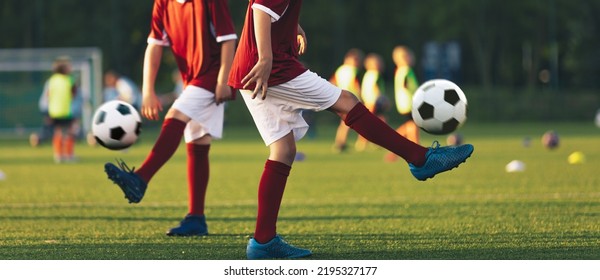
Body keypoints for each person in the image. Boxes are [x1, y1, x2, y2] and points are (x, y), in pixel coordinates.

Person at [228, 0, 474, 259]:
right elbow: (260, 9)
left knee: (283, 150)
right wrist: (266, 58)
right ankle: (420, 158)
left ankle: (263, 241)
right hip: (270, 67)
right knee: (347, 102)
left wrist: (292, 27)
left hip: (251, 67)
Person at [103, 0, 237, 237]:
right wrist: (147, 91)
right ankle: (196, 218)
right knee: (198, 143)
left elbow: (228, 38)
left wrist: (223, 79)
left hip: (211, 77)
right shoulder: (162, 3)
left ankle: (141, 178)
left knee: (176, 115)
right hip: (191, 80)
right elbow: (154, 46)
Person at [385, 45, 420, 162]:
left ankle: (394, 145)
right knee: (413, 126)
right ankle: (417, 150)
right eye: (409, 56)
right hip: (409, 103)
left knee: (410, 126)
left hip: (405, 103)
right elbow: (405, 85)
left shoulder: (400, 70)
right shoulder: (406, 70)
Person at [42, 56, 80, 163]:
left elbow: (48, 94)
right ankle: (69, 155)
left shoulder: (52, 80)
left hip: (54, 110)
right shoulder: (70, 79)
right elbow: (74, 94)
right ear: (64, 69)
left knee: (58, 132)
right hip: (67, 110)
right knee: (70, 132)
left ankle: (58, 155)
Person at [330, 48, 364, 153]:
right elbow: (356, 85)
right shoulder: (354, 71)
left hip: (340, 97)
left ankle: (340, 142)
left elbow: (332, 82)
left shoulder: (340, 70)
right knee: (348, 122)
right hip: (351, 99)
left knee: (344, 122)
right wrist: (362, 97)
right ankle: (341, 143)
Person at [354, 52, 390, 152]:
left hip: (370, 100)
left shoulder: (367, 74)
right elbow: (375, 88)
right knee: (370, 123)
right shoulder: (375, 74)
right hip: (373, 101)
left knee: (380, 120)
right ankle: (362, 142)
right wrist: (383, 99)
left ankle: (377, 141)